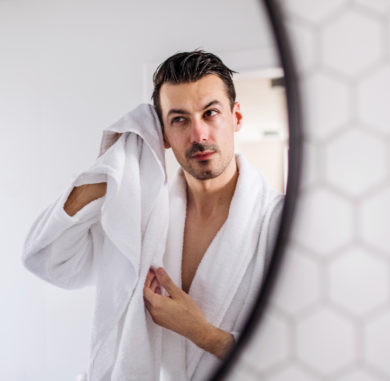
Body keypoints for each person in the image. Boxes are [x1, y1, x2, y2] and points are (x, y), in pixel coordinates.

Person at [24, 50, 284, 380]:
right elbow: (46, 258)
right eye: (180, 119)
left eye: (210, 113)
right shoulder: (144, 217)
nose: (199, 134)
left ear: (236, 118)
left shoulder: (279, 222)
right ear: (163, 134)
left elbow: (298, 354)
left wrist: (201, 332)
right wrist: (112, 168)